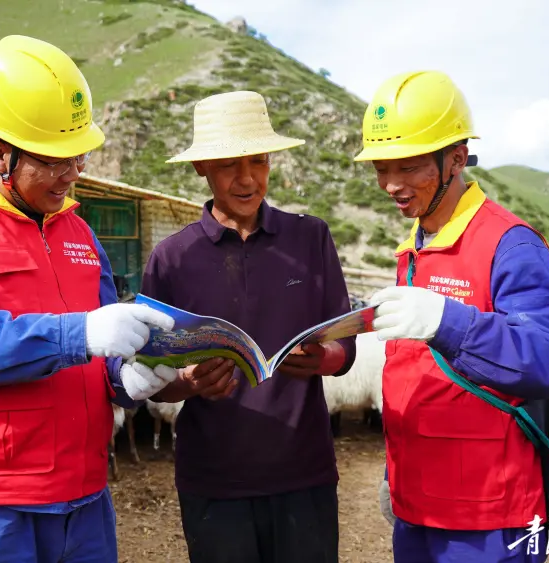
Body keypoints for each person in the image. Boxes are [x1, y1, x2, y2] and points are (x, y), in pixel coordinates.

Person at [0, 35, 179, 563]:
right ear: (0, 155)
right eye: (56, 162)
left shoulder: (80, 234)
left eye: (80, 157)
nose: (74, 174)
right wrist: (80, 333)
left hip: (84, 501)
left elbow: (100, 357)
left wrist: (127, 380)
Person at [354, 70, 549, 563]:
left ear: (456, 158)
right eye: (380, 168)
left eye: (408, 166)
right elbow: (415, 374)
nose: (391, 184)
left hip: (488, 517)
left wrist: (448, 322)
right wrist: (397, 477)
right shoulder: (416, 243)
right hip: (419, 504)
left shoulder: (509, 244)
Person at [141, 90, 358, 563]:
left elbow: (347, 351)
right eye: (227, 165)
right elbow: (152, 382)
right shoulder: (171, 259)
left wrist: (326, 358)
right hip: (213, 484)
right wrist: (189, 382)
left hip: (305, 476)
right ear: (201, 168)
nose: (247, 179)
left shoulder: (310, 237)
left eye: (258, 161)